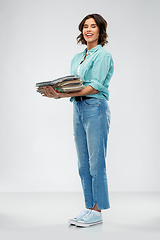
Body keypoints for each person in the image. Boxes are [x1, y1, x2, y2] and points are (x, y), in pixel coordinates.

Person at [43, 13, 114, 227]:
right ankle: (88, 207)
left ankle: (98, 210)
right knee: (83, 163)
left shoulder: (103, 55)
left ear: (101, 31)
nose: (88, 29)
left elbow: (94, 85)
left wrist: (63, 95)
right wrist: (58, 92)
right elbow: (74, 86)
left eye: (93, 26)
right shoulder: (77, 57)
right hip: (79, 107)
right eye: (85, 26)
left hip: (95, 107)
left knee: (96, 161)